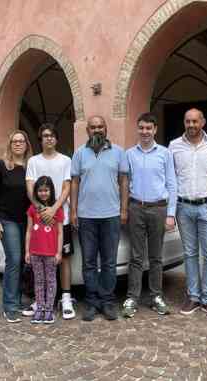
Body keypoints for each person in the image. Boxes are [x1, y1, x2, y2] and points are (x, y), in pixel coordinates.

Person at [169, 108, 207, 319]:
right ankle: (193, 296)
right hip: (184, 207)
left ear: (203, 122)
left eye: (195, 121)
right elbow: (171, 176)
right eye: (187, 121)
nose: (191, 125)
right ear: (184, 123)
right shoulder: (174, 146)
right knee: (190, 253)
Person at [70, 115, 129, 321]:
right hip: (86, 216)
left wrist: (123, 210)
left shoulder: (119, 152)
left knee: (109, 262)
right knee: (88, 262)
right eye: (93, 127)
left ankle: (108, 301)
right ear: (87, 131)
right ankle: (92, 302)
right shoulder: (79, 153)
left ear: (106, 129)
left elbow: (123, 181)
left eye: (100, 127)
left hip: (111, 215)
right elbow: (75, 183)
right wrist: (73, 211)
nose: (97, 130)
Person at [122, 112, 177, 318]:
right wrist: (125, 210)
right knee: (136, 256)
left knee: (156, 257)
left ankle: (156, 296)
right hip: (136, 207)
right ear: (138, 129)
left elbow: (172, 184)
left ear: (155, 130)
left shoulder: (165, 153)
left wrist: (171, 214)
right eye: (141, 128)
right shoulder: (129, 154)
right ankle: (132, 297)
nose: (145, 132)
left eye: (149, 128)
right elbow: (125, 184)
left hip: (159, 208)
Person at [25, 123, 75, 320]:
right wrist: (40, 208)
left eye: (52, 135)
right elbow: (30, 188)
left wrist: (54, 209)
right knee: (39, 258)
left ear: (56, 139)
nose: (49, 139)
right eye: (45, 136)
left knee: (63, 257)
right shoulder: (33, 161)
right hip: (39, 217)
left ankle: (66, 298)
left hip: (60, 216)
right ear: (41, 139)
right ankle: (41, 300)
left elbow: (66, 187)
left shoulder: (65, 160)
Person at [0, 130, 32, 323]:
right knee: (13, 260)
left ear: (27, 144)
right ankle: (10, 306)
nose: (18, 144)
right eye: (15, 141)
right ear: (10, 144)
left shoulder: (31, 166)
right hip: (7, 220)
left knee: (22, 261)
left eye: (22, 141)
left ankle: (18, 300)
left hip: (27, 221)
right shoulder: (1, 165)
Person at [25, 176, 64, 324]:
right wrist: (27, 251)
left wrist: (59, 252)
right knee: (39, 281)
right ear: (36, 192)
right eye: (40, 190)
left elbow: (60, 233)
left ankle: (49, 310)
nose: (43, 193)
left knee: (51, 281)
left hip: (50, 254)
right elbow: (29, 231)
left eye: (46, 190)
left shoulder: (57, 210)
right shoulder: (32, 209)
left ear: (51, 191)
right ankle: (40, 308)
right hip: (35, 253)